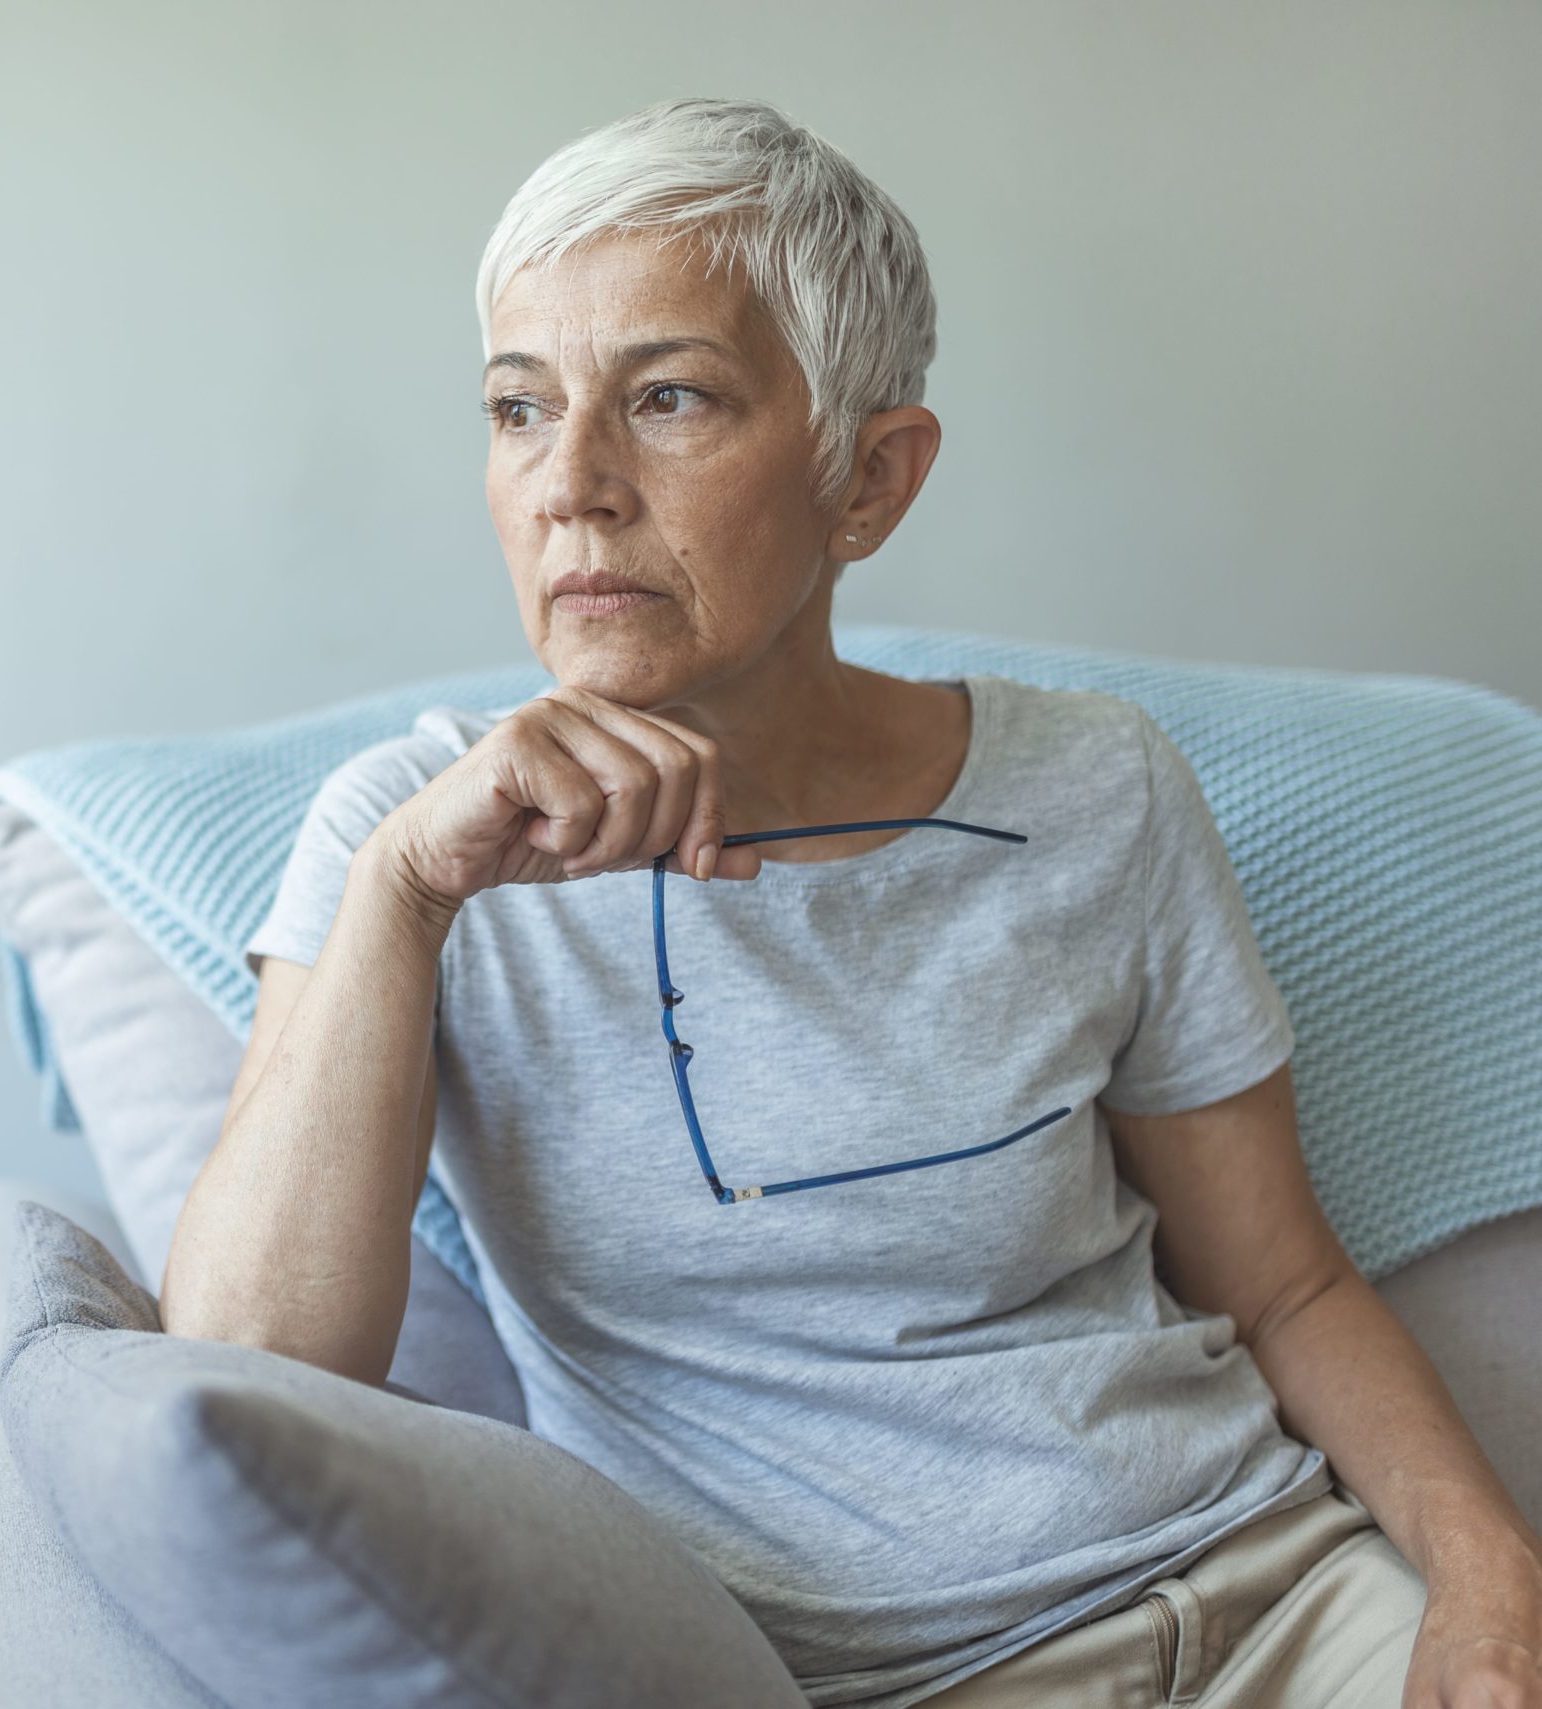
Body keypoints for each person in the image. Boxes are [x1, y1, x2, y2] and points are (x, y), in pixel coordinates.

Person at [158, 96, 1541, 1709]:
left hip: (1281, 1594)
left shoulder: (1101, 790)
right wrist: (409, 892)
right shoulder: (406, 842)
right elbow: (250, 1370)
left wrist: (1490, 1578)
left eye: (668, 396)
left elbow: (1289, 1280)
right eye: (520, 408)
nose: (574, 486)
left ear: (868, 480)